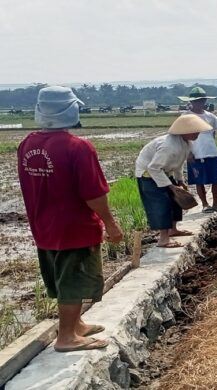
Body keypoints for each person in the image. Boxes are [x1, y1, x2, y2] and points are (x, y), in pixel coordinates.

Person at [18, 86, 123, 352]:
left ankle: (77, 325)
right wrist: (110, 224)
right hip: (75, 227)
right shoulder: (78, 147)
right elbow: (93, 194)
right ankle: (67, 337)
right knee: (74, 279)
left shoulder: (27, 144)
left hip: (44, 226)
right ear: (71, 110)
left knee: (59, 277)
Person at [135, 114, 212, 248]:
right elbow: (153, 168)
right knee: (162, 204)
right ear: (185, 132)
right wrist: (170, 186)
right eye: (195, 131)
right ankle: (163, 239)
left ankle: (173, 230)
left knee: (175, 201)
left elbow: (179, 162)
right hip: (149, 175)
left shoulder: (187, 143)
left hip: (165, 172)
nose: (198, 134)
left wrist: (180, 181)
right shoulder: (168, 146)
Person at [178, 87, 217, 213]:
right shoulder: (185, 117)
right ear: (191, 102)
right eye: (196, 101)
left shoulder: (210, 116)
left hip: (212, 152)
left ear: (205, 101)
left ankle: (215, 204)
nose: (199, 103)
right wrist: (187, 152)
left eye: (201, 100)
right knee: (199, 180)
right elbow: (180, 136)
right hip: (195, 153)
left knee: (216, 179)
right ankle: (205, 204)